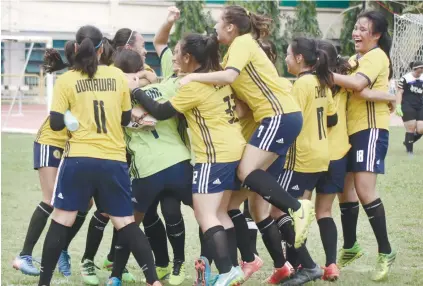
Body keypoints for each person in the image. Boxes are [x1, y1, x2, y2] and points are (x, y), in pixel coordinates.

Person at [179, 4, 314, 267]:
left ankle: (297, 209)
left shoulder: (242, 42)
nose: (215, 27)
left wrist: (193, 78)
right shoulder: (235, 51)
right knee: (243, 195)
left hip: (279, 115)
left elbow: (230, 77)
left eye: (219, 22)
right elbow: (240, 104)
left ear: (231, 26)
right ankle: (269, 262)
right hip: (279, 117)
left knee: (245, 171)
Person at [37, 25, 160, 286]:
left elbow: (56, 124)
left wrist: (71, 118)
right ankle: (153, 281)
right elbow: (126, 118)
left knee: (62, 219)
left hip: (78, 159)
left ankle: (44, 282)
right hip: (113, 160)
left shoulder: (67, 80)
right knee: (125, 222)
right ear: (102, 49)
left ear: (76, 47)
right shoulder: (116, 76)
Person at [130, 32, 246, 286]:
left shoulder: (194, 85)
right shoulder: (217, 76)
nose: (174, 56)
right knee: (221, 213)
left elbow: (160, 111)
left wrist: (137, 92)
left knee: (205, 215)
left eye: (178, 51)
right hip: (235, 147)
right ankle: (235, 266)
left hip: (215, 155)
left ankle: (227, 270)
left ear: (189, 57)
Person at [12, 40, 86, 278]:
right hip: (50, 142)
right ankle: (23, 255)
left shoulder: (88, 75)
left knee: (85, 201)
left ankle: (61, 247)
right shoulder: (72, 79)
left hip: (70, 145)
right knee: (52, 199)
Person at [332, 10, 396, 281]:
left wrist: (325, 73)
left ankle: (386, 251)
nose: (356, 33)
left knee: (364, 190)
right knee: (344, 190)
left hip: (369, 130)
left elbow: (357, 84)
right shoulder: (355, 59)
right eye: (355, 28)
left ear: (377, 35)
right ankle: (350, 246)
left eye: (363, 29)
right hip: (349, 131)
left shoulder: (376, 56)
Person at [271, 37, 337, 285]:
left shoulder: (301, 84)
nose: (286, 59)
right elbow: (332, 118)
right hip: (320, 155)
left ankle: (308, 265)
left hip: (301, 158)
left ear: (299, 58)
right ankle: (300, 265)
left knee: (277, 210)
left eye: (288, 54)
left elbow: (289, 122)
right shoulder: (322, 82)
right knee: (300, 212)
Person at [395, 61, 423, 154]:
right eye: (421, 68)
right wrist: (398, 106)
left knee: (421, 129)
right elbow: (399, 92)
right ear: (415, 68)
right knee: (411, 127)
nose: (422, 71)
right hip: (407, 105)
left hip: (420, 105)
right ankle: (409, 152)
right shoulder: (405, 78)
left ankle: (407, 142)